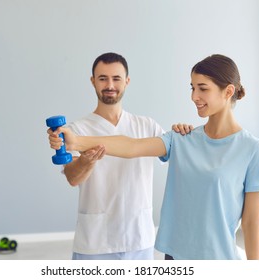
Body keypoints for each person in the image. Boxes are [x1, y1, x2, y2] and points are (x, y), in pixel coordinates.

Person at [48, 54, 259, 260]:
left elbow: (250, 223)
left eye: (202, 88)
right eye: (192, 88)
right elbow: (131, 146)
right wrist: (76, 142)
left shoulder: (253, 150)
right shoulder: (182, 139)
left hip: (217, 256)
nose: (194, 97)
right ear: (93, 81)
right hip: (172, 254)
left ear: (228, 92)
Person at [55, 52, 192, 260]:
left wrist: (182, 132)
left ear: (127, 82)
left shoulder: (147, 126)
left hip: (140, 238)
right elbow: (72, 178)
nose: (110, 84)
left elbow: (177, 155)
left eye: (116, 78)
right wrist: (86, 161)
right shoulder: (76, 129)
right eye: (103, 78)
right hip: (95, 241)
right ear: (93, 82)